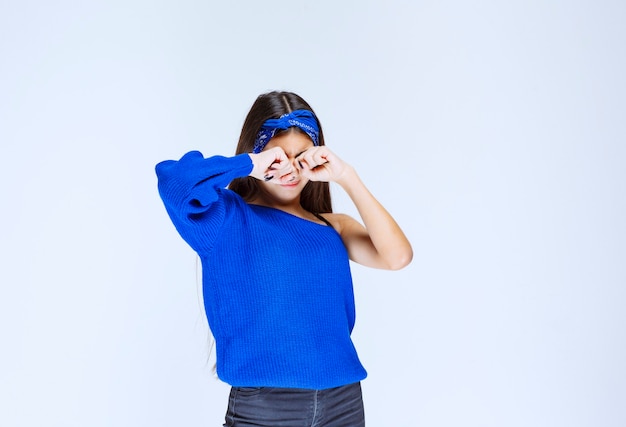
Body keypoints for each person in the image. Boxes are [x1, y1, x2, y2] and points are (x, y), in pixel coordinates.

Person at [155, 91, 413, 426]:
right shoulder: (225, 217)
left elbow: (398, 256)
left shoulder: (332, 226)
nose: (291, 168)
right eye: (278, 157)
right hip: (264, 408)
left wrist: (347, 176)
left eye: (302, 156)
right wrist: (250, 163)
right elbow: (176, 183)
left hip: (343, 402)